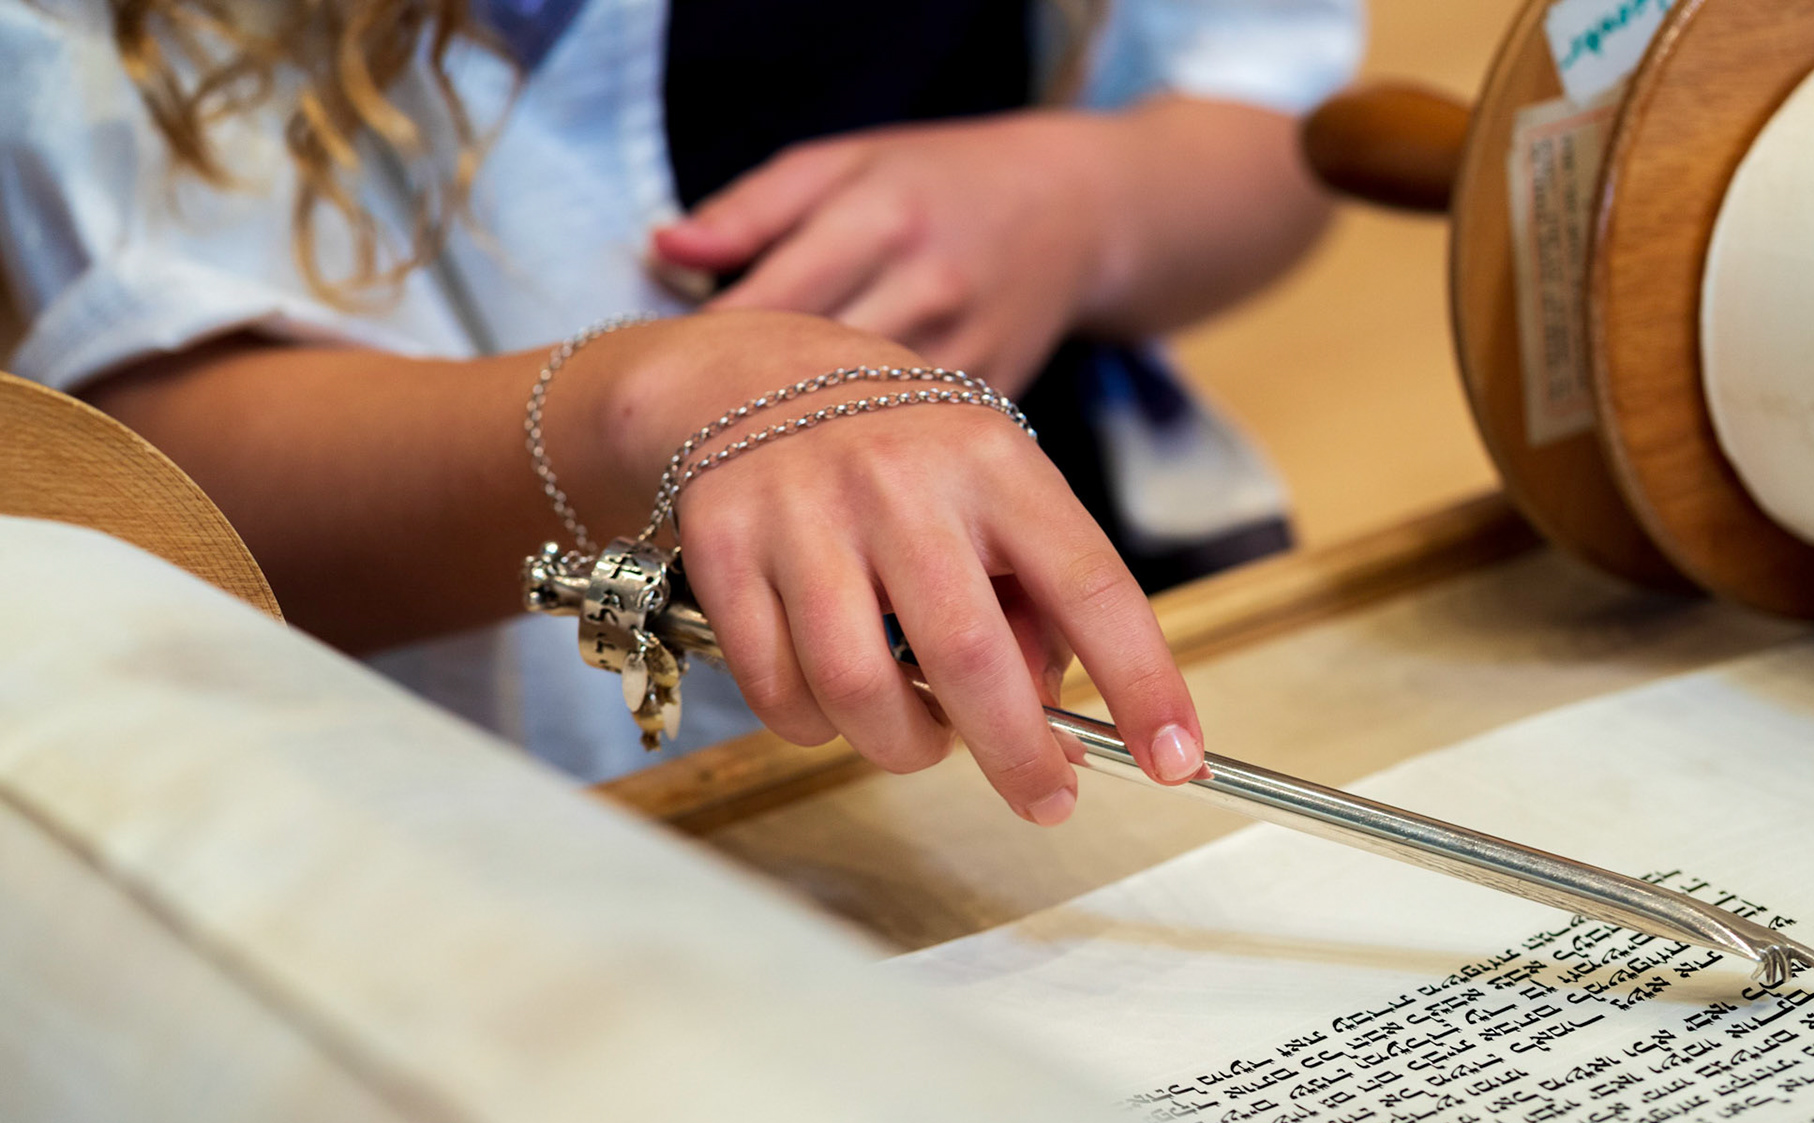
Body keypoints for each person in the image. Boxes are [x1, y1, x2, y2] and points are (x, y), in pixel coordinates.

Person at [0, 0, 1361, 820]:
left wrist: (1088, 200)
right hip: (512, 808)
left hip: (1101, 643)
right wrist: (638, 403)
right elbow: (165, 484)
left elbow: (1280, 125)